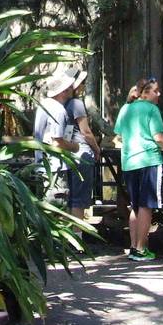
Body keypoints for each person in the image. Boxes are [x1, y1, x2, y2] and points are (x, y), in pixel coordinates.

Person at [112, 76, 163, 262]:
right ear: (145, 92)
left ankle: (134, 247)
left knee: (135, 205)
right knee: (146, 205)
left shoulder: (126, 109)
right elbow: (159, 138)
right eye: (156, 91)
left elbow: (117, 136)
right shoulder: (152, 109)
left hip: (129, 162)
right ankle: (142, 249)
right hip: (148, 160)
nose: (159, 94)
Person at [32, 70, 81, 200]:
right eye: (70, 87)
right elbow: (57, 142)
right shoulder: (58, 110)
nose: (73, 89)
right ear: (63, 90)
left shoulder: (44, 105)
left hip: (42, 166)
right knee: (57, 207)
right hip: (55, 169)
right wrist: (75, 147)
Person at [65, 68, 102, 219]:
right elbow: (85, 132)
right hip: (81, 152)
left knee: (69, 197)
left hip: (68, 153)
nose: (84, 86)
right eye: (82, 83)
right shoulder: (76, 104)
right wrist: (97, 148)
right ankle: (77, 237)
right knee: (78, 201)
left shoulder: (63, 104)